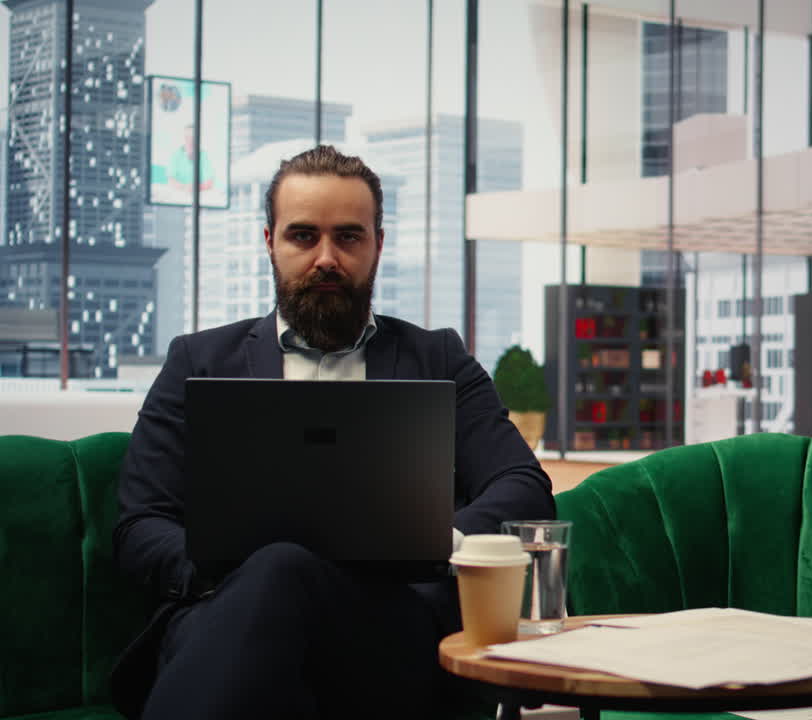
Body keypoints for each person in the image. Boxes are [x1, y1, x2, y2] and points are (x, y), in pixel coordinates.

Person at [112, 145, 555, 719]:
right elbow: (140, 525)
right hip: (229, 613)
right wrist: (231, 564)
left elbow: (523, 485)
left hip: (387, 631)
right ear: (269, 242)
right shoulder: (198, 360)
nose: (327, 258)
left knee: (282, 572)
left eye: (348, 237)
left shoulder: (437, 357)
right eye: (303, 236)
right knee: (277, 573)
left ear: (378, 245)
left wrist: (427, 540)